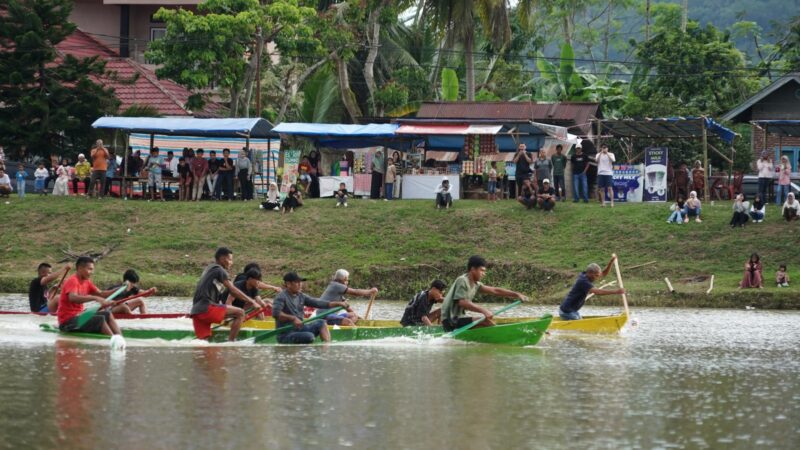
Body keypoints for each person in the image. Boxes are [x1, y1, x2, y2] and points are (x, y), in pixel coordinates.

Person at [441, 255, 528, 331]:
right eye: (481, 270)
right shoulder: (463, 280)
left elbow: (495, 291)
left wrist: (516, 294)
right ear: (473, 269)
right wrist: (484, 310)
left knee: (485, 322)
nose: (484, 274)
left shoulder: (476, 284)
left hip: (458, 319)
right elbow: (462, 302)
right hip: (450, 321)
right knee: (485, 321)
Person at [190, 247, 259, 341]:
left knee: (204, 344)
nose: (231, 262)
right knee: (240, 313)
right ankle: (231, 344)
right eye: (230, 259)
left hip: (196, 312)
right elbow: (233, 290)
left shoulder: (208, 269)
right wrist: (252, 301)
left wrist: (226, 316)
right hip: (207, 308)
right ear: (222, 259)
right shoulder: (219, 270)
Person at [272, 272, 350, 344]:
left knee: (321, 323)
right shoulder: (281, 297)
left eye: (301, 282)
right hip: (286, 334)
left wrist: (338, 303)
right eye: (297, 282)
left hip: (300, 329)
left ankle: (327, 346)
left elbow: (318, 303)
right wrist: (293, 319)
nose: (300, 284)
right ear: (288, 284)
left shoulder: (301, 296)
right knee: (309, 336)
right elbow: (276, 314)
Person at [57, 256, 124, 337]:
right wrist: (94, 298)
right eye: (89, 269)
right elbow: (72, 298)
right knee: (99, 320)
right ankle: (113, 340)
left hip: (80, 317)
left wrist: (120, 288)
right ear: (80, 268)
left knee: (107, 314)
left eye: (92, 269)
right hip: (67, 322)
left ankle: (120, 338)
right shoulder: (72, 280)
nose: (92, 272)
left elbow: (102, 294)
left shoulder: (87, 282)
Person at [559, 257, 625, 320]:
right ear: (590, 273)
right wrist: (616, 291)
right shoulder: (583, 281)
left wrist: (611, 263)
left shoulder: (586, 275)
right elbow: (597, 292)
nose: (597, 277)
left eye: (597, 275)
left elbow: (603, 274)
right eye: (596, 275)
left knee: (579, 320)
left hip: (571, 311)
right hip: (566, 311)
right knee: (581, 324)